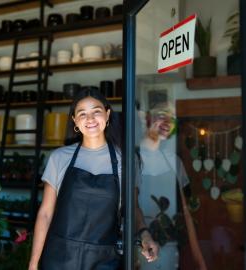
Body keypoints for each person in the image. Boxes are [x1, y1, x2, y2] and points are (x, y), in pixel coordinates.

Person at [28, 89, 159, 270]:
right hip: (59, 257)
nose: (90, 119)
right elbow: (45, 214)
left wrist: (145, 235)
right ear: (74, 120)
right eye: (82, 114)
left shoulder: (127, 160)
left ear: (107, 114)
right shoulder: (59, 157)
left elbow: (133, 208)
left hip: (104, 259)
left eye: (96, 111)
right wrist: (34, 264)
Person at [136, 102, 207, 270]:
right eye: (162, 115)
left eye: (172, 117)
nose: (168, 121)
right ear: (147, 119)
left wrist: (199, 257)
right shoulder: (131, 159)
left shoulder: (174, 161)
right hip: (139, 247)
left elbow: (187, 210)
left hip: (171, 248)